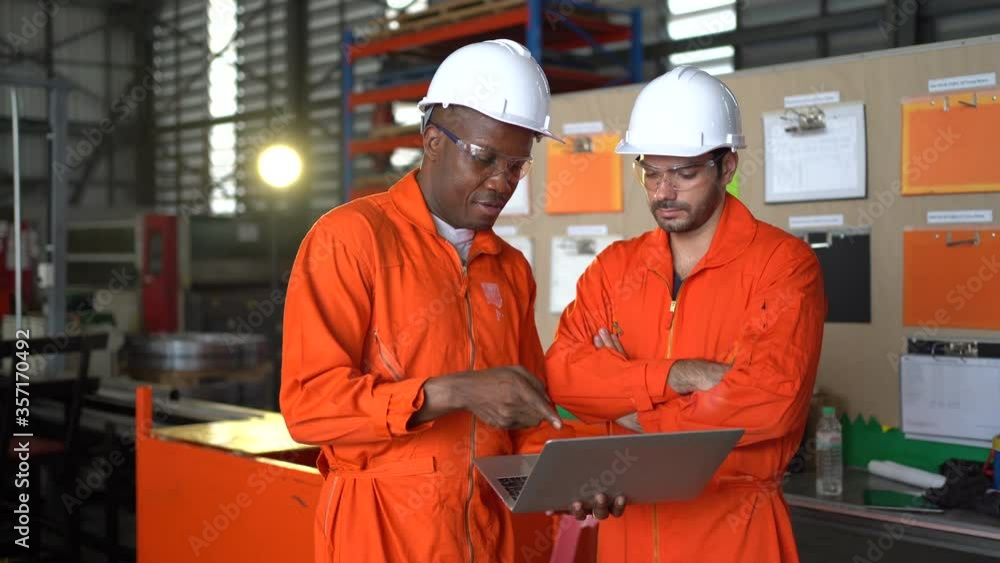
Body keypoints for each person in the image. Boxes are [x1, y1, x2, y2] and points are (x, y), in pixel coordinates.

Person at [279, 39, 620, 563]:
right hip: (380, 535)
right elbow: (310, 408)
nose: (501, 182)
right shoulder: (350, 240)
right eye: (485, 158)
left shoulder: (509, 268)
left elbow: (528, 417)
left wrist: (567, 479)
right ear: (433, 140)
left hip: (488, 536)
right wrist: (453, 392)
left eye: (517, 166)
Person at [545, 65, 828, 563]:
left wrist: (629, 407)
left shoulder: (783, 266)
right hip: (627, 532)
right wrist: (680, 376)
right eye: (651, 172)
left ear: (727, 166)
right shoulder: (615, 268)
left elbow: (770, 404)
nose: (663, 191)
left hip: (733, 535)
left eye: (684, 172)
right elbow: (563, 376)